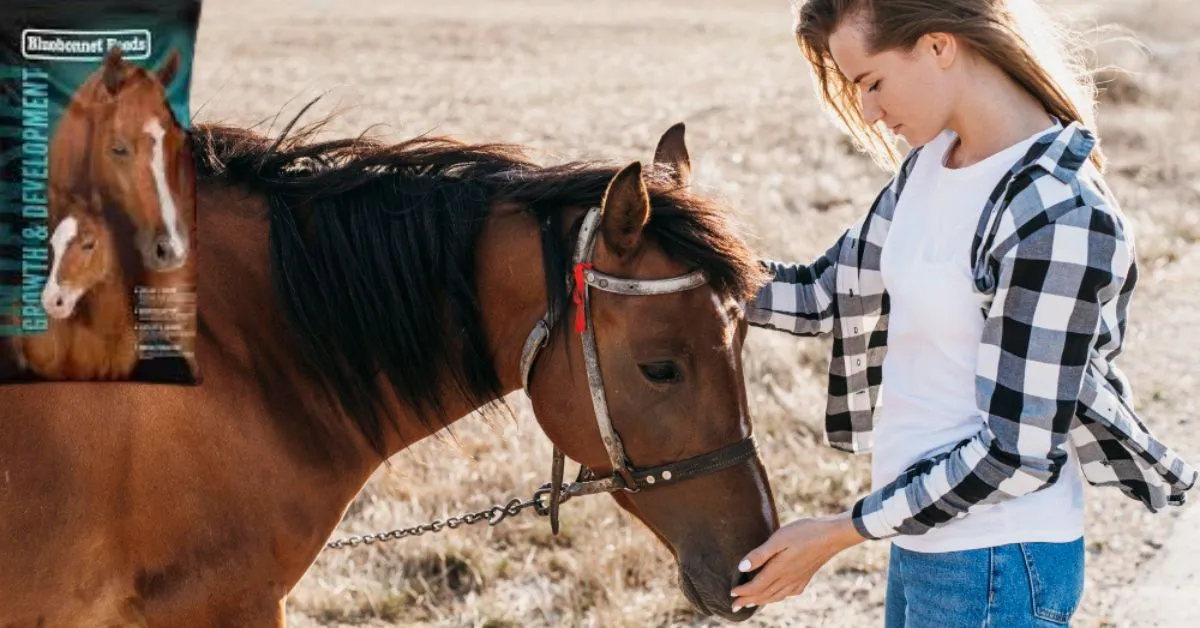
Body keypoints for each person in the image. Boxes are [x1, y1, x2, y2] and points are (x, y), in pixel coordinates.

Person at [728, 0, 1197, 625]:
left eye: (872, 82)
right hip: (924, 540)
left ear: (938, 46)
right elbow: (821, 295)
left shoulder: (1057, 215)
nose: (867, 110)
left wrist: (841, 531)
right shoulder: (929, 164)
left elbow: (1017, 454)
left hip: (999, 560)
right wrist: (679, 267)